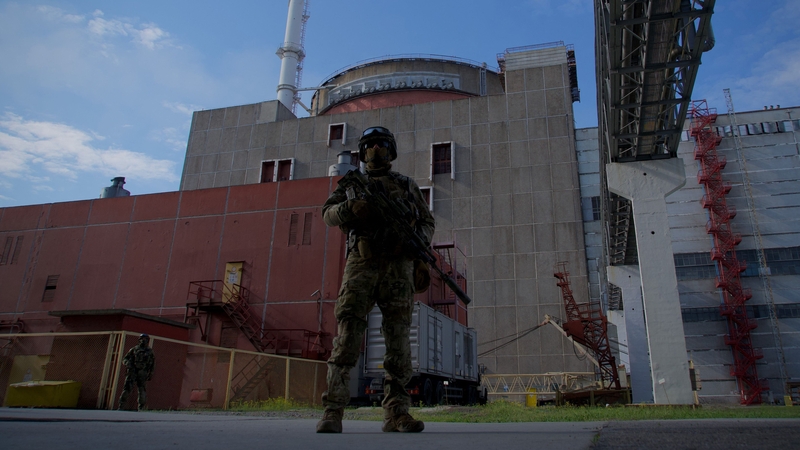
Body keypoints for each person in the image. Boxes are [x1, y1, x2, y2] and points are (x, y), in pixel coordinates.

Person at [316, 126, 435, 434]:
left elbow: (426, 221)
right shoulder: (352, 185)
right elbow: (327, 214)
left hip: (398, 268)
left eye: (382, 144)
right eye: (370, 145)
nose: (376, 149)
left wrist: (417, 243)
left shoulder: (407, 185)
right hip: (362, 264)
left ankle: (396, 413)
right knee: (348, 336)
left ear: (391, 150)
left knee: (398, 343)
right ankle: (333, 411)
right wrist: (349, 208)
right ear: (363, 151)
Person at [118, 333, 155, 411]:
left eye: (145, 339)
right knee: (127, 389)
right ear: (139, 340)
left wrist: (151, 373)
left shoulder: (150, 352)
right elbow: (125, 359)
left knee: (142, 390)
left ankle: (141, 407)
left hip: (143, 373)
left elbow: (153, 364)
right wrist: (128, 363)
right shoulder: (134, 349)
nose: (143, 340)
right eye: (142, 339)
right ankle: (121, 406)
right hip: (132, 372)